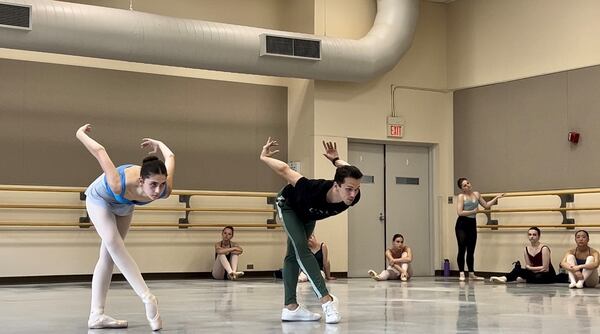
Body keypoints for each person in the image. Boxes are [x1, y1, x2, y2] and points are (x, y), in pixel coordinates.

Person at [77, 124, 174, 331]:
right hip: (99, 199)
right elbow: (99, 151)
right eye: (153, 185)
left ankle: (96, 315)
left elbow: (171, 156)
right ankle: (147, 297)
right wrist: (79, 134)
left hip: (125, 207)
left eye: (162, 184)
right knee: (113, 243)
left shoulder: (165, 190)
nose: (158, 191)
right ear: (141, 180)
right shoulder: (118, 183)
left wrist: (159, 143)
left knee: (108, 256)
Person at [260, 138, 362, 324]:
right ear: (336, 185)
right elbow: (285, 171)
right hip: (289, 205)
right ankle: (327, 301)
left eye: (356, 189)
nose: (353, 194)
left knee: (292, 255)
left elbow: (348, 169)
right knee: (301, 249)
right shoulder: (310, 189)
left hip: (308, 215)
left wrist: (336, 159)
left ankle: (290, 308)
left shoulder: (352, 195)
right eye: (348, 189)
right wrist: (264, 157)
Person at [455, 177, 504, 281]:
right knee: (462, 248)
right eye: (464, 185)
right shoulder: (461, 196)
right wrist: (473, 211)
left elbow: (486, 205)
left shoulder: (477, 194)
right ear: (462, 188)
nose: (467, 185)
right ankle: (462, 273)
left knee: (471, 250)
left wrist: (496, 197)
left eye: (468, 183)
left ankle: (472, 273)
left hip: (472, 224)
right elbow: (459, 212)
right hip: (462, 224)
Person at [490, 227, 556, 284]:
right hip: (536, 272)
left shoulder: (544, 248)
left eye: (534, 235)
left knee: (539, 277)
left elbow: (545, 268)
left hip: (547, 274)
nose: (532, 236)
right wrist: (530, 269)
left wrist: (530, 268)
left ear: (539, 236)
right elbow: (528, 266)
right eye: (530, 234)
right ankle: (504, 278)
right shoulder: (526, 249)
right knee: (518, 269)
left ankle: (525, 279)